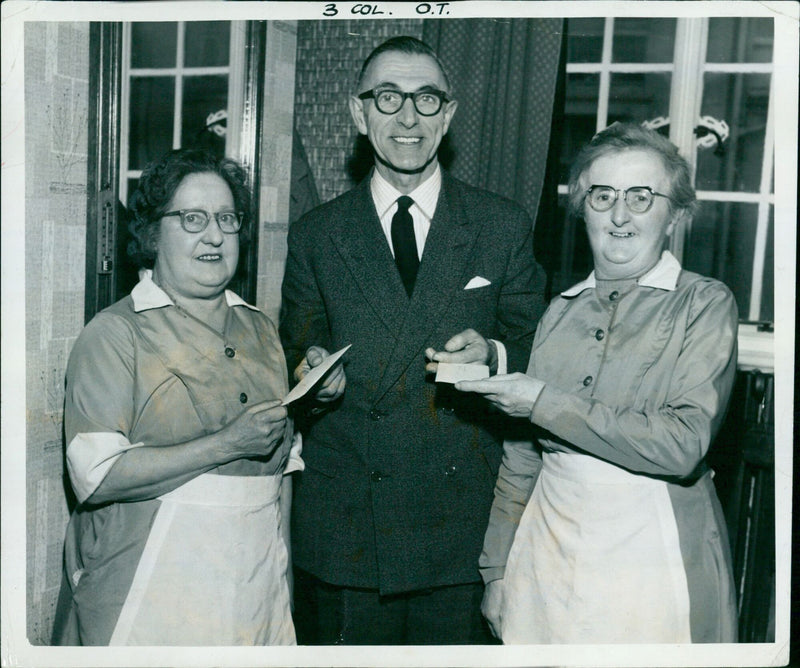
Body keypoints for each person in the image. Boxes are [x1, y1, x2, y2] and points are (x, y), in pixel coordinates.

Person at [279, 36, 547, 645]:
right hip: (348, 529)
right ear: (359, 112)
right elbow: (297, 349)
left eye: (426, 99)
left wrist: (495, 355)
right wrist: (314, 375)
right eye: (388, 98)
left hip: (459, 527)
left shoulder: (500, 224)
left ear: (448, 116)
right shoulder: (317, 234)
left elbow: (536, 341)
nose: (407, 117)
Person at [456, 122, 739, 644]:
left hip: (651, 560)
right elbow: (522, 461)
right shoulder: (558, 313)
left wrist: (542, 401)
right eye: (603, 195)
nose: (620, 214)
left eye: (641, 196)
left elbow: (681, 445)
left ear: (675, 214)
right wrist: (496, 571)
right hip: (547, 556)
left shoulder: (704, 303)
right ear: (582, 208)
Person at [52, 149, 299, 645]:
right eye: (192, 218)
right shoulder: (115, 334)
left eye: (227, 219)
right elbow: (95, 480)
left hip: (255, 590)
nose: (214, 235)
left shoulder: (261, 329)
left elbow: (283, 470)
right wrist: (226, 444)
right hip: (151, 589)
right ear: (152, 233)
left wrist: (283, 576)